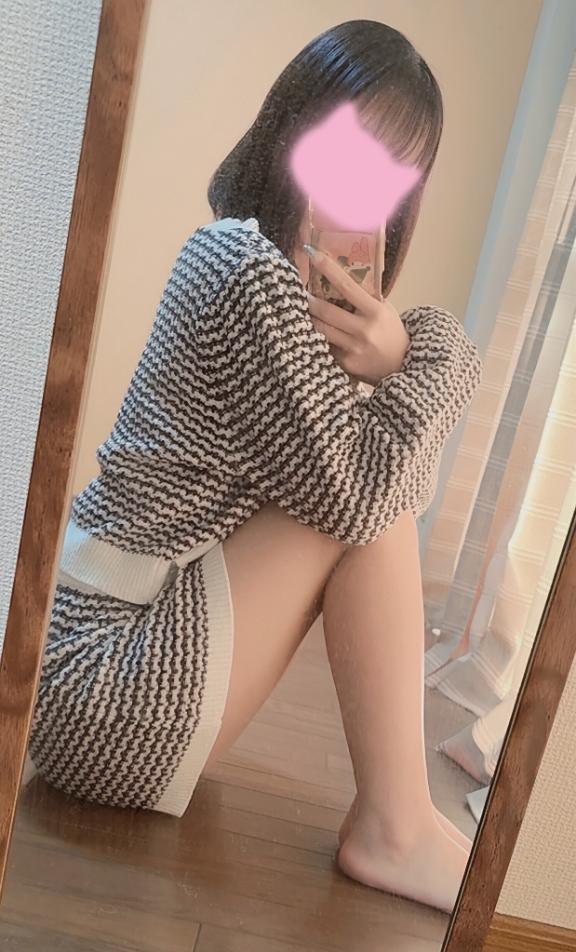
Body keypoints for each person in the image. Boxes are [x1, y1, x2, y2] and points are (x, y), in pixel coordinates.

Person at [27, 20, 483, 914]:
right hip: (97, 687)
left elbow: (390, 485)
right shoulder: (242, 269)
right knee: (366, 500)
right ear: (296, 130)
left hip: (102, 663)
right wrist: (425, 356)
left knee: (370, 490)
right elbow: (369, 501)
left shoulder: (267, 280)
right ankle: (395, 827)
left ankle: (399, 822)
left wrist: (396, 363)